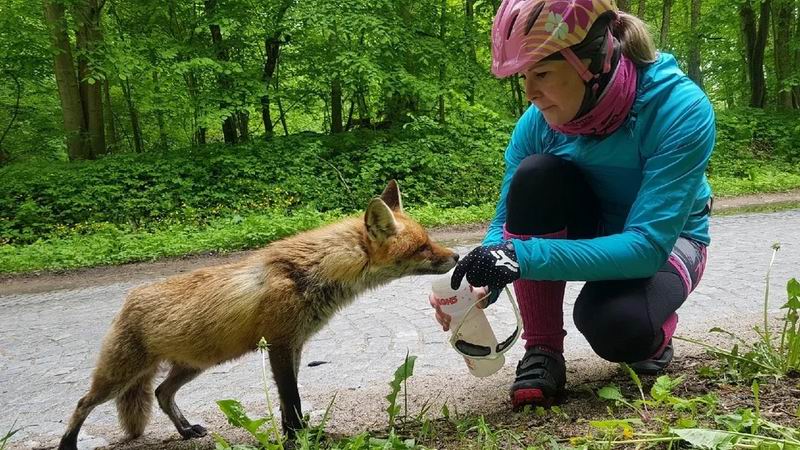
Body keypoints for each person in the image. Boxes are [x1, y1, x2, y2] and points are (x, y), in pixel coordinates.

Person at [431, 0, 714, 409]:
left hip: (668, 241)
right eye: (525, 76)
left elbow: (647, 248)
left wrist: (519, 257)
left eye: (542, 73)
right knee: (535, 174)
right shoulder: (537, 123)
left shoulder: (679, 109)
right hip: (597, 224)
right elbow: (507, 222)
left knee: (617, 327)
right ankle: (542, 350)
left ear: (593, 64)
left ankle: (655, 335)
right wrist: (482, 277)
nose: (530, 92)